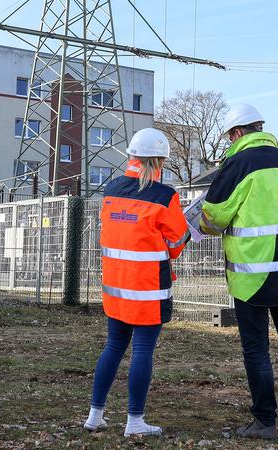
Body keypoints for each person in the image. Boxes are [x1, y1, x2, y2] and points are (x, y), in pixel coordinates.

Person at [199, 103, 278, 440]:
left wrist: (201, 222)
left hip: (252, 274)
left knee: (256, 349)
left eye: (229, 137)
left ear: (237, 133)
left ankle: (265, 421)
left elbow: (214, 218)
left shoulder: (238, 163)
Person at [83, 128, 189, 437]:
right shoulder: (164, 196)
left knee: (114, 346)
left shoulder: (111, 190)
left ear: (132, 157)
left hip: (116, 287)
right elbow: (177, 243)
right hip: (148, 290)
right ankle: (135, 420)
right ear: (159, 161)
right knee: (143, 350)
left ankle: (95, 415)